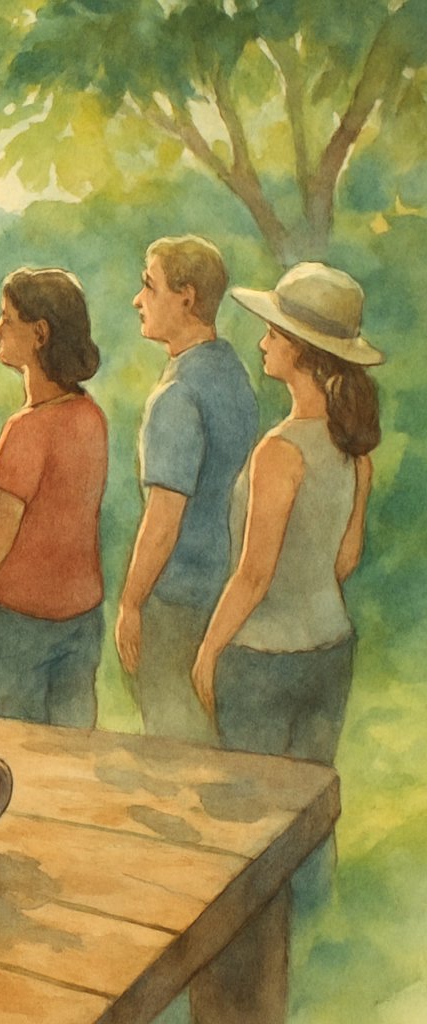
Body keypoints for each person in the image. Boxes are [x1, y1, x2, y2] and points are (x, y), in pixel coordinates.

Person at [192, 261, 380, 787]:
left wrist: (208, 650)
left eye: (273, 333)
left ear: (303, 351)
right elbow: (346, 560)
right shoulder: (355, 450)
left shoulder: (280, 450)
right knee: (311, 806)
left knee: (257, 815)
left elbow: (254, 575)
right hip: (332, 647)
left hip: (264, 662)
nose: (262, 344)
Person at [0, 269, 107, 727]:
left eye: (7, 319)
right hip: (83, 617)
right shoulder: (91, 416)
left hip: (21, 624)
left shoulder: (25, 431)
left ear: (40, 334)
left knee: (17, 749)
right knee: (73, 749)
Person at [116, 236, 258, 743]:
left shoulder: (176, 395)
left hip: (177, 605)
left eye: (148, 286)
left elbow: (163, 518)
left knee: (177, 759)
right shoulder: (235, 374)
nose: (138, 300)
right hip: (230, 598)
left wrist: (131, 603)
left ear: (187, 298)